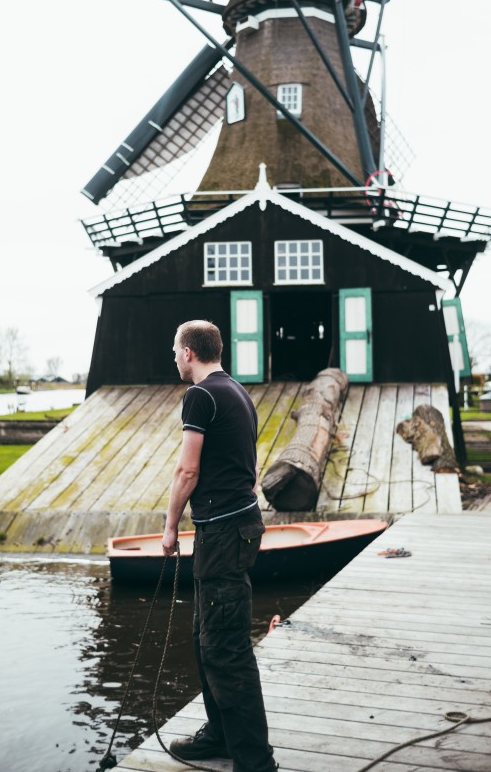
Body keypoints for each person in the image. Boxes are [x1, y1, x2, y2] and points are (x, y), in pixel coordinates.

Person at [162, 320, 277, 772]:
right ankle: (221, 734)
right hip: (233, 530)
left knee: (226, 648)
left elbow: (187, 471)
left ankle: (254, 760)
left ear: (189, 352)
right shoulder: (236, 390)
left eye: (175, 350)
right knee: (206, 637)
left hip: (224, 535)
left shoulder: (201, 394)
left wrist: (170, 525)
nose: (173, 357)